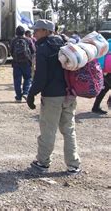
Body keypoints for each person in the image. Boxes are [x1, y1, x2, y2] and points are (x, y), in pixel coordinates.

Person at [26, 19, 81, 175]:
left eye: (37, 30)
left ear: (45, 31)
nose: (34, 34)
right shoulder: (65, 44)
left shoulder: (43, 47)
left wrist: (31, 94)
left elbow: (41, 76)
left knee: (48, 130)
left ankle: (43, 163)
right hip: (70, 94)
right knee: (69, 130)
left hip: (52, 96)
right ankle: (73, 164)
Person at [10, 26, 36, 102]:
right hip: (26, 63)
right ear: (24, 32)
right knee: (28, 78)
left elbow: (11, 51)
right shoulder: (28, 40)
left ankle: (18, 97)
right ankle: (25, 92)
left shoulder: (13, 40)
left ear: (16, 32)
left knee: (17, 80)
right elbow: (33, 50)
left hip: (16, 63)